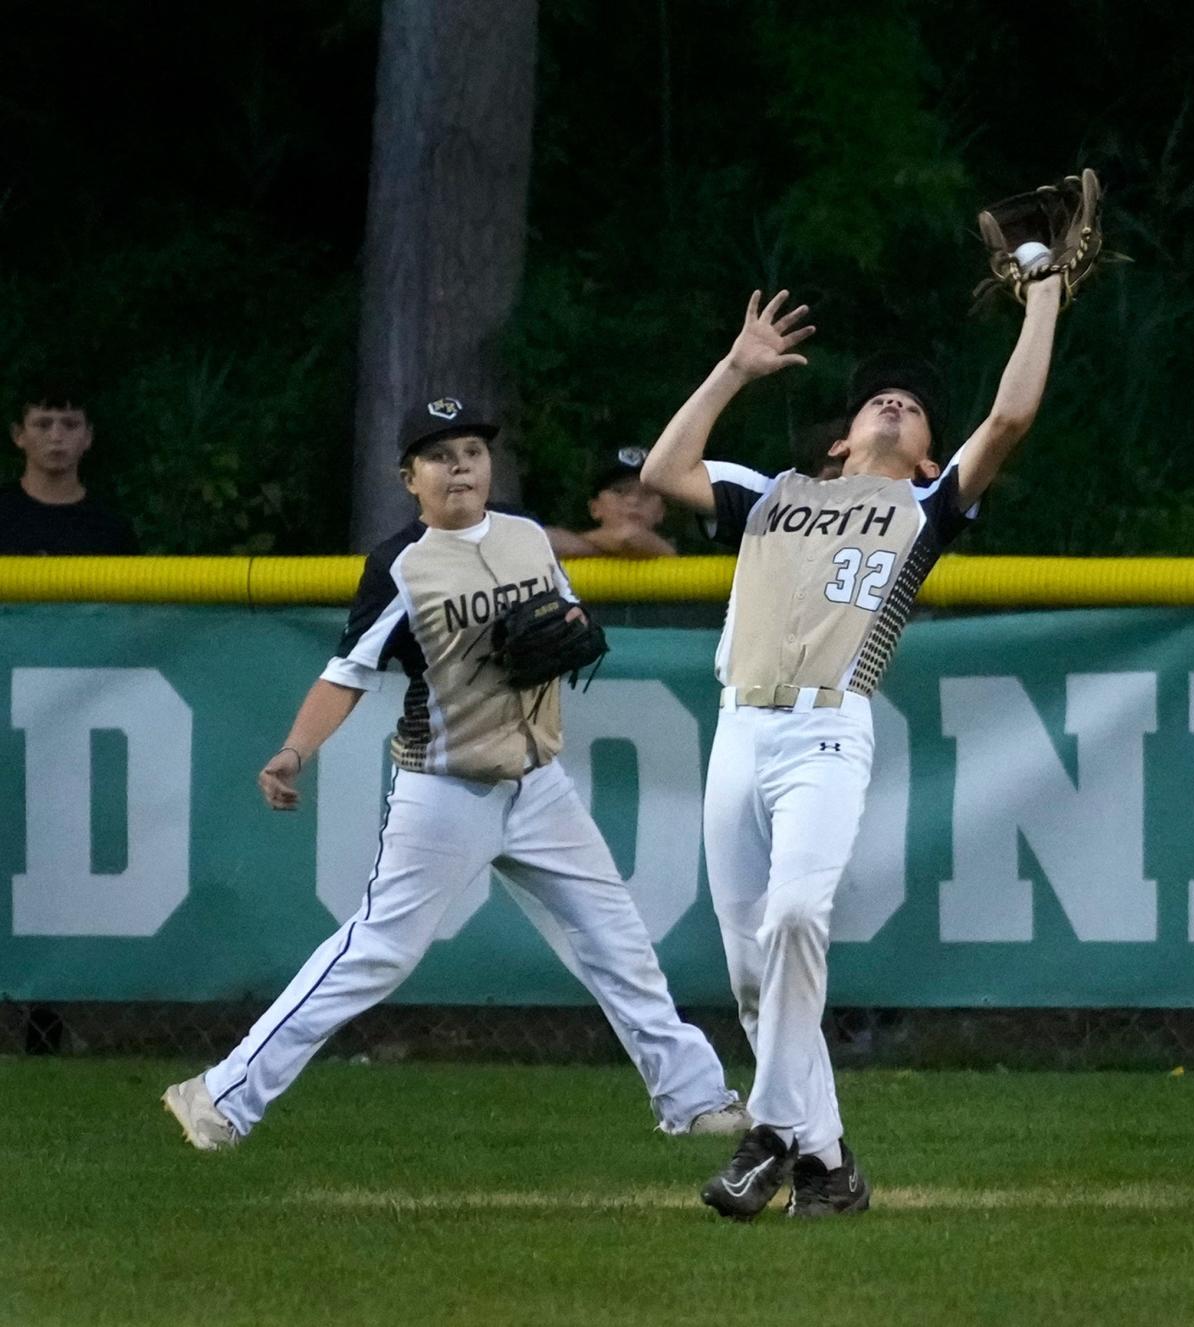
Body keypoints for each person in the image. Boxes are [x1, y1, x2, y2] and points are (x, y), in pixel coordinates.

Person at [161, 395, 745, 1150]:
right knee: (377, 951)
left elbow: (567, 621)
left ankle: (693, 1100)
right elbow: (347, 672)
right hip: (445, 787)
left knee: (618, 943)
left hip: (539, 783)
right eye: (439, 455)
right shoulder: (401, 565)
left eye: (471, 450)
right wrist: (295, 750)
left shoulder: (528, 536)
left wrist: (563, 632)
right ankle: (220, 1092)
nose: (459, 465)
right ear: (410, 477)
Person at [641, 277, 1063, 1220]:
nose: (897, 405)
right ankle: (831, 1170)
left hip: (829, 731)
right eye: (882, 398)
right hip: (739, 729)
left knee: (794, 915)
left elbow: (1011, 414)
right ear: (838, 438)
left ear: (924, 459)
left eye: (914, 410)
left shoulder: (925, 508)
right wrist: (733, 370)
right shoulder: (771, 494)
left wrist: (1043, 298)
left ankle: (767, 1139)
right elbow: (665, 472)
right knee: (754, 976)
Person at [1, 389, 137, 554]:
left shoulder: (111, 526)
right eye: (43, 425)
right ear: (18, 435)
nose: (56, 436)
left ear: (88, 436)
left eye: (70, 425)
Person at [546, 447, 678, 559]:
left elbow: (629, 537)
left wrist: (580, 546)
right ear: (594, 508)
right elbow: (545, 539)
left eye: (647, 493)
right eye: (620, 491)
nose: (634, 500)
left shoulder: (676, 562)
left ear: (661, 512)